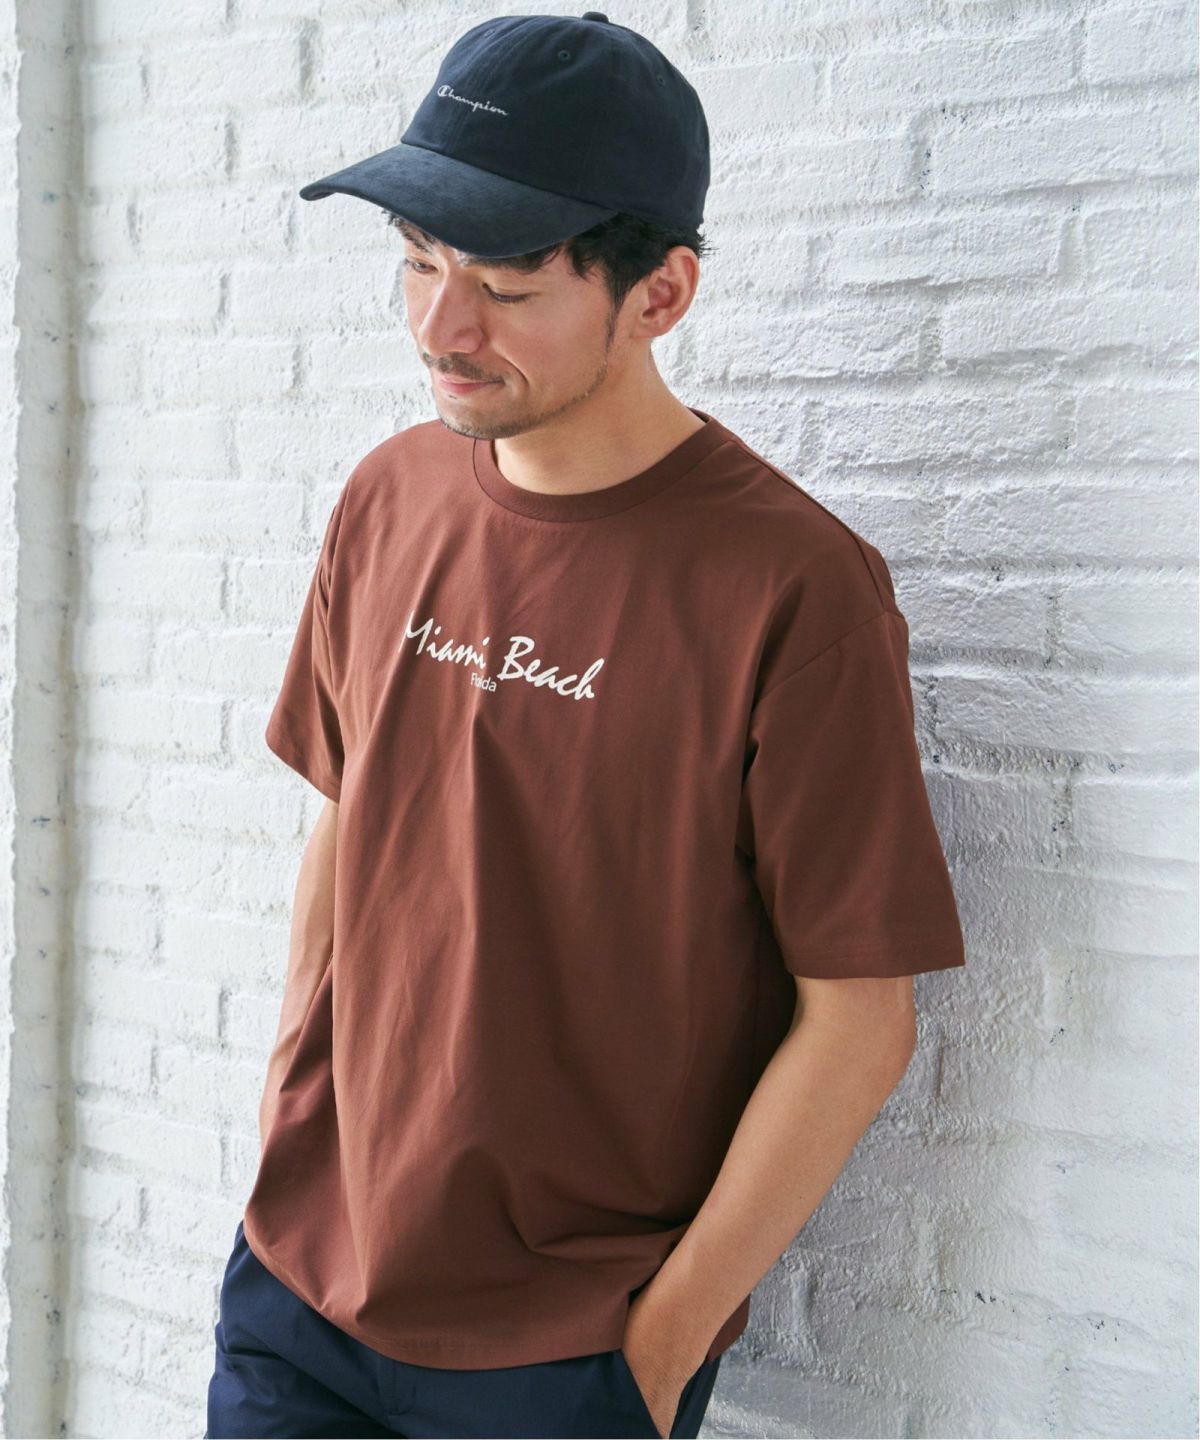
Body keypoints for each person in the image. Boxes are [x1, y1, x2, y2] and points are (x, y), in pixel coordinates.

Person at [203, 11, 967, 1439]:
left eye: (503, 283)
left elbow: (859, 1019)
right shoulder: (388, 497)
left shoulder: (794, 591)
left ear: (659, 293)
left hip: (563, 1356)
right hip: (299, 1288)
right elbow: (346, 823)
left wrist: (653, 1354)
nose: (441, 327)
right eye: (418, 263)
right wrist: (288, 1106)